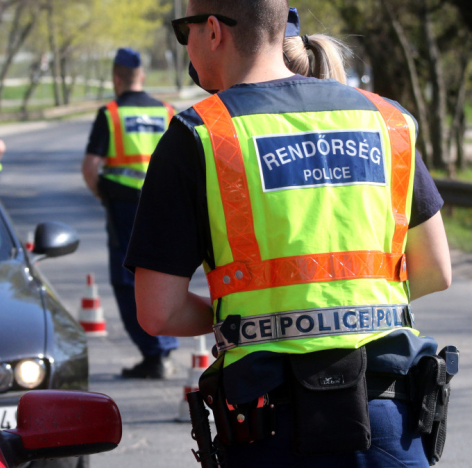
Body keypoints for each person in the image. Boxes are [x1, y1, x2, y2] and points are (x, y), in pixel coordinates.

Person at [126, 1, 452, 466]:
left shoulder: (198, 135)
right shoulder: (388, 121)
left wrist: (249, 322)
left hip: (270, 430)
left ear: (213, 31)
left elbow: (158, 312)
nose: (186, 44)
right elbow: (436, 270)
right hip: (391, 419)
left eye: (185, 30)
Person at [81, 47, 179, 379]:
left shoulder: (110, 114)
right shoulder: (167, 111)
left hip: (124, 209)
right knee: (165, 272)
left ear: (116, 77)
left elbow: (90, 167)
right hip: (165, 208)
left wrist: (102, 195)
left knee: (127, 280)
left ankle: (154, 352)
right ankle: (163, 347)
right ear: (143, 77)